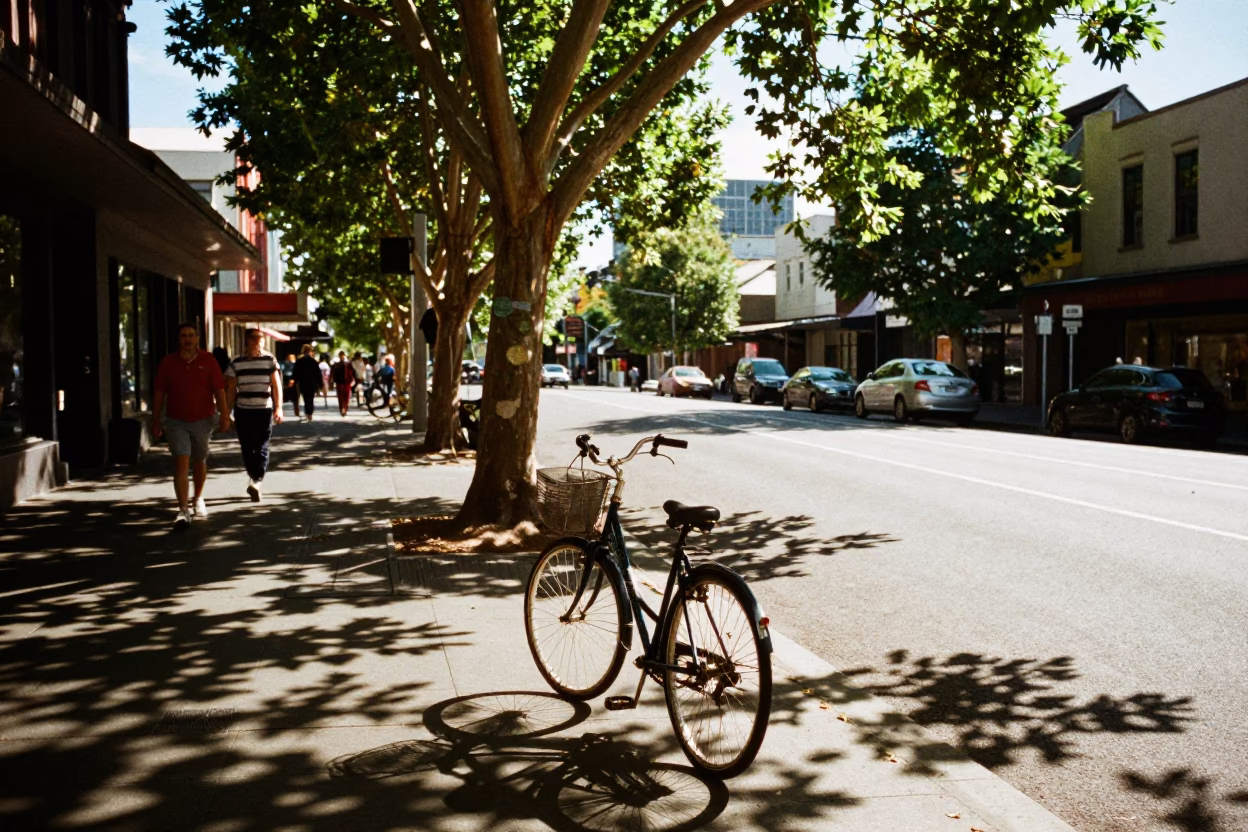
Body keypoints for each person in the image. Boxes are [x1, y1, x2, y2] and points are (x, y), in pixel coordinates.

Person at [151, 323, 227, 530]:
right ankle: (183, 509)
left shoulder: (208, 360)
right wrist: (156, 419)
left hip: (203, 419)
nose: (187, 339)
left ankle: (198, 498)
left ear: (197, 339)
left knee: (200, 460)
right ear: (178, 339)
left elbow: (219, 390)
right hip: (176, 420)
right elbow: (159, 393)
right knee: (181, 460)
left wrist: (225, 415)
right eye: (184, 336)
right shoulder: (168, 363)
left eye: (191, 335)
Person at [224, 329, 283, 502]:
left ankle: (256, 481)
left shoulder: (269, 361)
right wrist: (227, 414)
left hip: (264, 409)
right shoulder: (237, 363)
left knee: (262, 446)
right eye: (254, 339)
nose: (258, 342)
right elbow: (230, 391)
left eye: (261, 339)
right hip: (243, 410)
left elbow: (276, 385)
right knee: (247, 447)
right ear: (247, 341)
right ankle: (254, 478)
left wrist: (279, 408)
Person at [294, 345, 323, 421]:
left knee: (305, 397)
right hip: (312, 383)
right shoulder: (313, 361)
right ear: (310, 351)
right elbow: (318, 374)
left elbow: (295, 373)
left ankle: (308, 412)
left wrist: (295, 381)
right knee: (311, 398)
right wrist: (320, 384)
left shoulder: (299, 361)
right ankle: (309, 413)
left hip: (303, 382)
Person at [330, 350, 356, 416]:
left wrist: (353, 380)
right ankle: (343, 409)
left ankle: (344, 409)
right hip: (340, 382)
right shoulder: (337, 364)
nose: (341, 356)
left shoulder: (348, 364)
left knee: (346, 397)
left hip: (346, 382)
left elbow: (353, 372)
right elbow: (333, 373)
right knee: (341, 397)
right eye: (340, 355)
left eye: (342, 355)